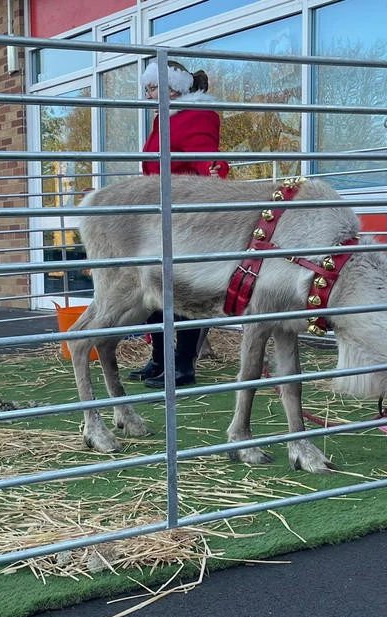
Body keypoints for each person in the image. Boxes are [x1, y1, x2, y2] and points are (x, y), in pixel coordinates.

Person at [132, 59, 230, 389]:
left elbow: (207, 155)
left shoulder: (193, 116)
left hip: (184, 218)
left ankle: (183, 365)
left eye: (152, 87)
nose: (147, 94)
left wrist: (215, 171)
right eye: (147, 88)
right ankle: (160, 359)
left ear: (173, 87)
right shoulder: (165, 117)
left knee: (183, 291)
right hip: (160, 215)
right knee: (155, 290)